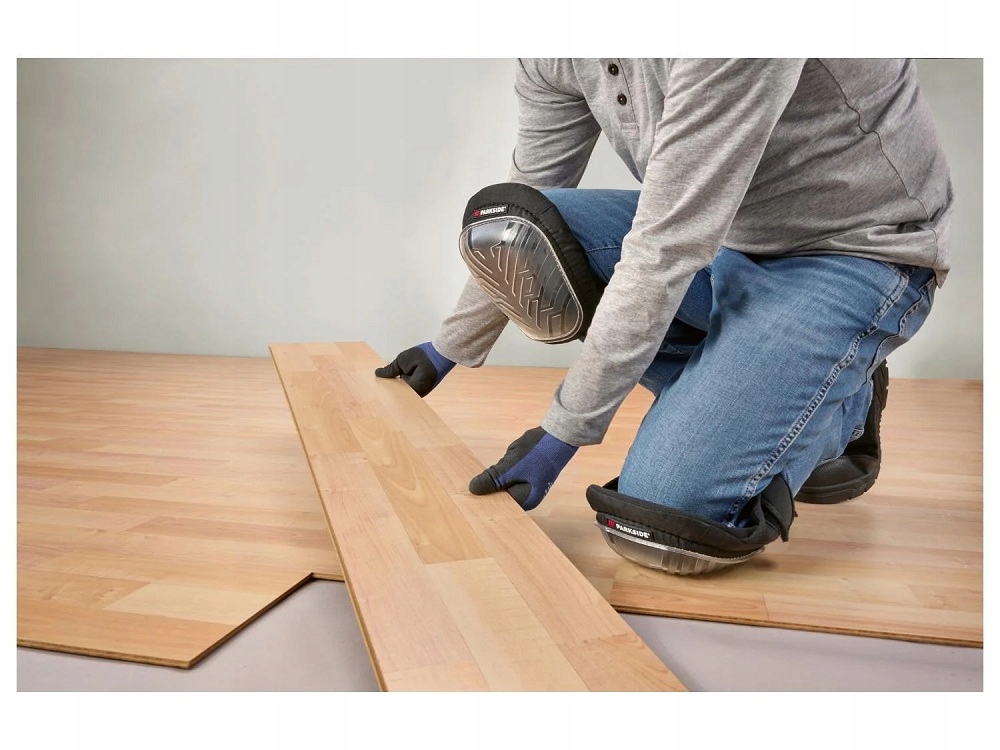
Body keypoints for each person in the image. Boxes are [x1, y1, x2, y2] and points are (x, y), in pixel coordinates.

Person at [376, 59, 953, 575]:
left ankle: (840, 405)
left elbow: (665, 248)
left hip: (852, 249)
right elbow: (529, 199)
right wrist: (447, 348)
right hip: (719, 233)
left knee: (665, 518)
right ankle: (770, 387)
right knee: (507, 226)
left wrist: (561, 433)